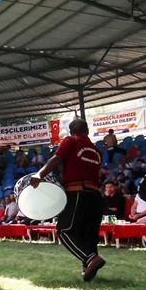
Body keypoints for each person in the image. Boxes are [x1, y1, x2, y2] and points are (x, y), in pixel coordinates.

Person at [33, 119, 106, 281]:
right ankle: (88, 270)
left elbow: (57, 159)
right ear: (87, 131)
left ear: (70, 132)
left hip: (77, 192)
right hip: (95, 195)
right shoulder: (96, 150)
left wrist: (39, 174)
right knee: (88, 234)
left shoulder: (70, 141)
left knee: (65, 231)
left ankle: (90, 259)